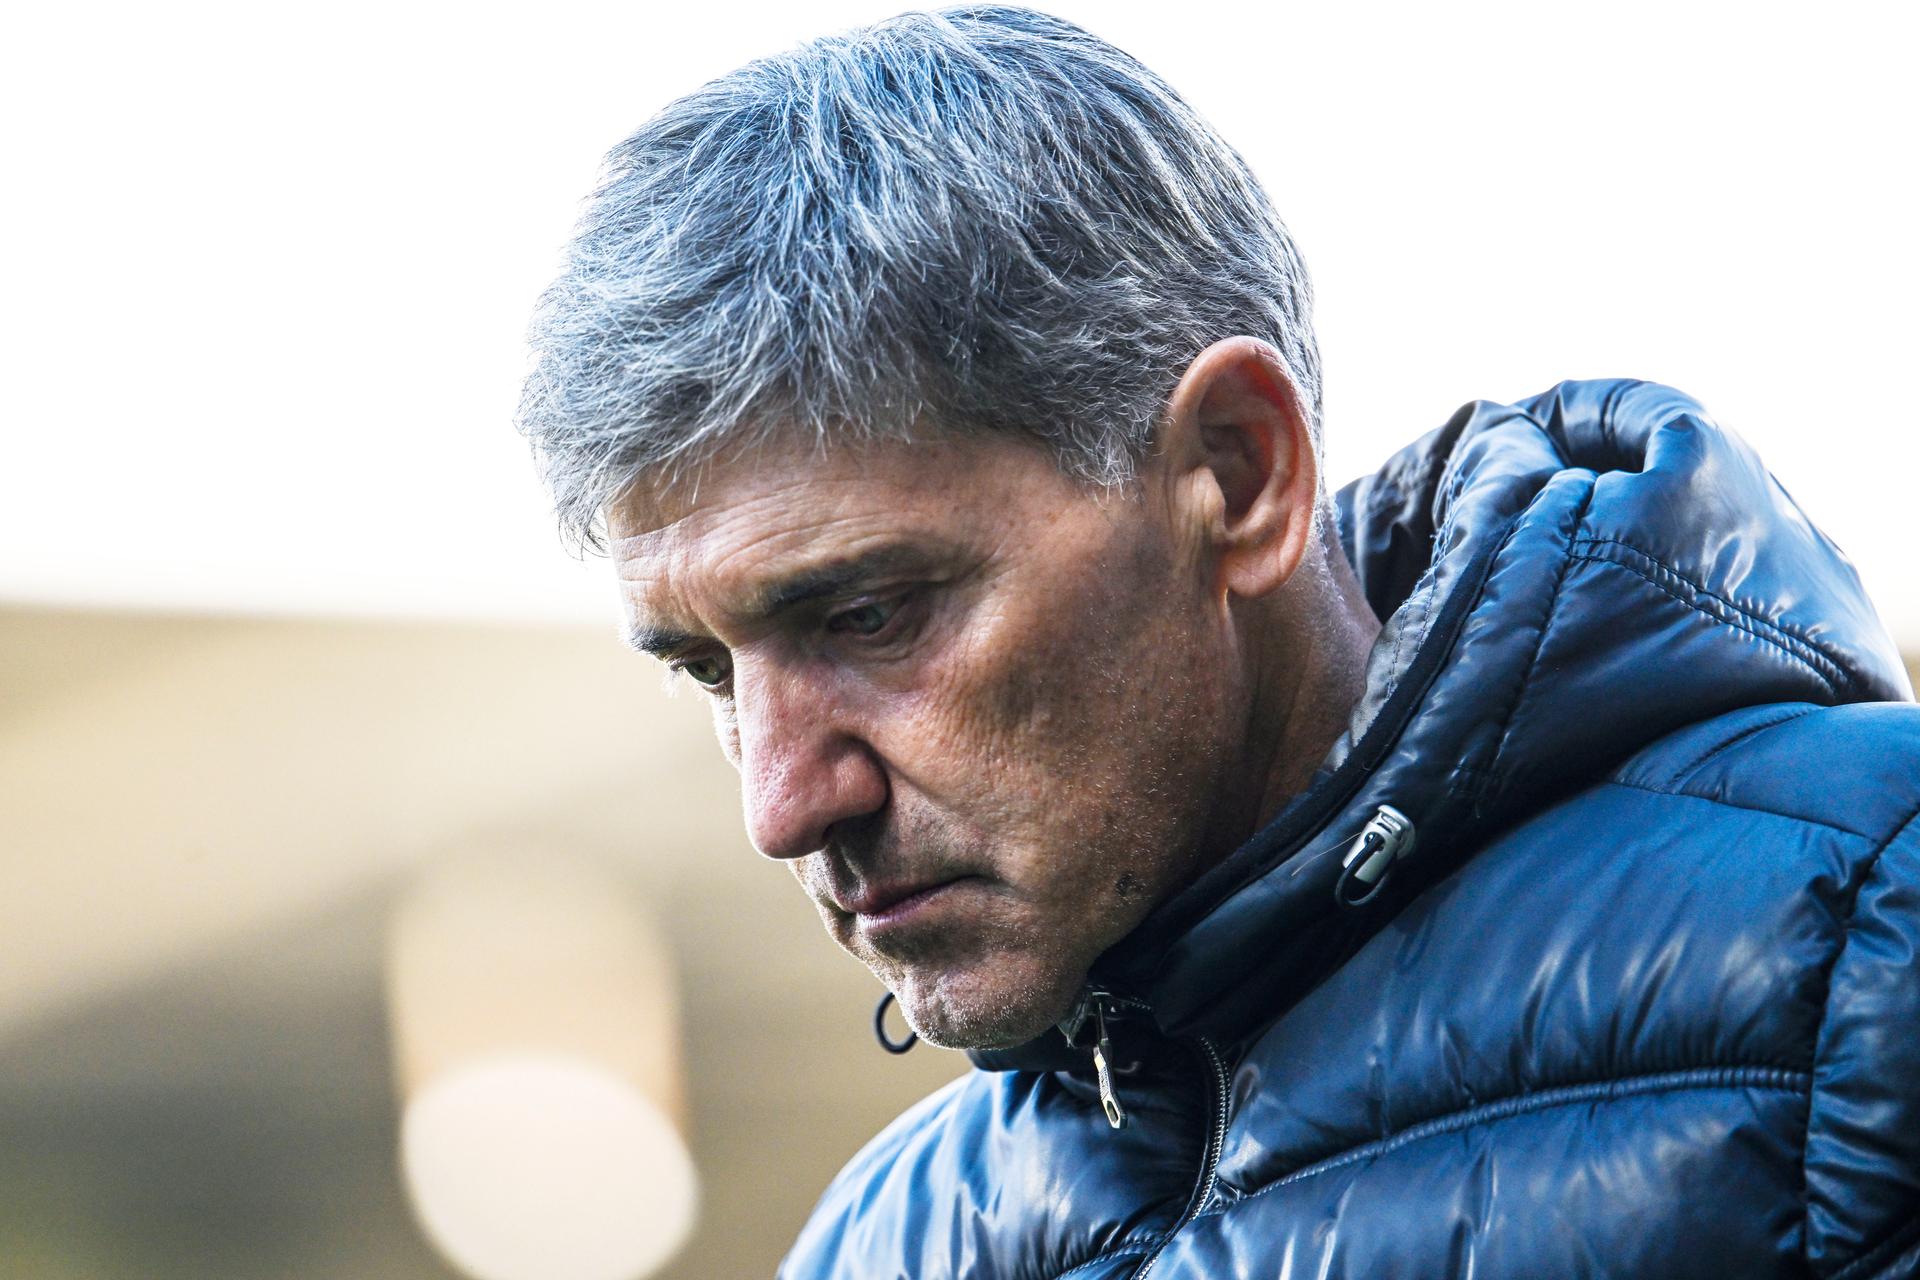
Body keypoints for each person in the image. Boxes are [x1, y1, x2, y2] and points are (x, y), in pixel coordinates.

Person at [516, 7, 1920, 1277]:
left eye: (869, 615)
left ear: (1238, 477)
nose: (782, 805)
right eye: (710, 670)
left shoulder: (1876, 944)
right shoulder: (880, 1248)